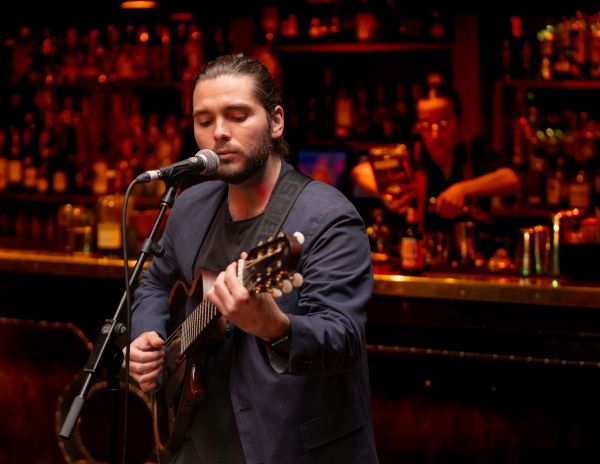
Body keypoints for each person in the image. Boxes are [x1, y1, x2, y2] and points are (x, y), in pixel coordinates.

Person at [124, 53, 379, 464]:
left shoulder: (327, 217)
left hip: (290, 449)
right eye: (204, 120)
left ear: (276, 122)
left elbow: (343, 338)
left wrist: (274, 327)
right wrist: (146, 336)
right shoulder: (190, 206)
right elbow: (154, 281)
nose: (219, 133)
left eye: (237, 116)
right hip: (194, 443)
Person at [351, 81, 521, 233]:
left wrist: (462, 189)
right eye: (426, 125)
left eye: (443, 123)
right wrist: (387, 193)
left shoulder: (475, 149)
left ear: (459, 121)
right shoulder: (410, 152)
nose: (435, 134)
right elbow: (359, 172)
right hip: (418, 250)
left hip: (470, 248)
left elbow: (511, 179)